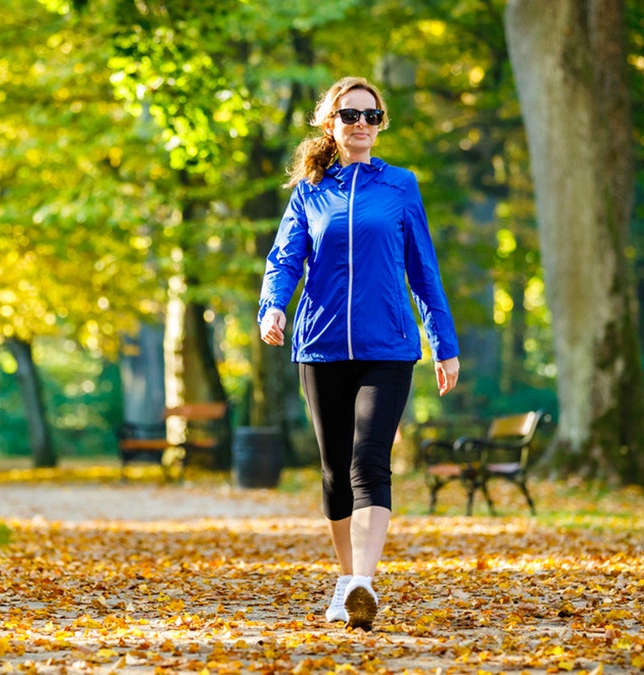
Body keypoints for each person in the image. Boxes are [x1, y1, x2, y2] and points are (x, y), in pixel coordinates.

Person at [258, 76, 461, 631]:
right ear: (331, 124)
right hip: (320, 346)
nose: (362, 125)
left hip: (389, 346)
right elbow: (284, 260)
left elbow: (423, 269)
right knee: (334, 472)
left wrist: (443, 343)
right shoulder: (310, 191)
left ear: (381, 124)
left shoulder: (400, 186)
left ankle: (365, 583)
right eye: (351, 116)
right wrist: (273, 307)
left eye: (372, 117)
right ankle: (346, 580)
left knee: (369, 461)